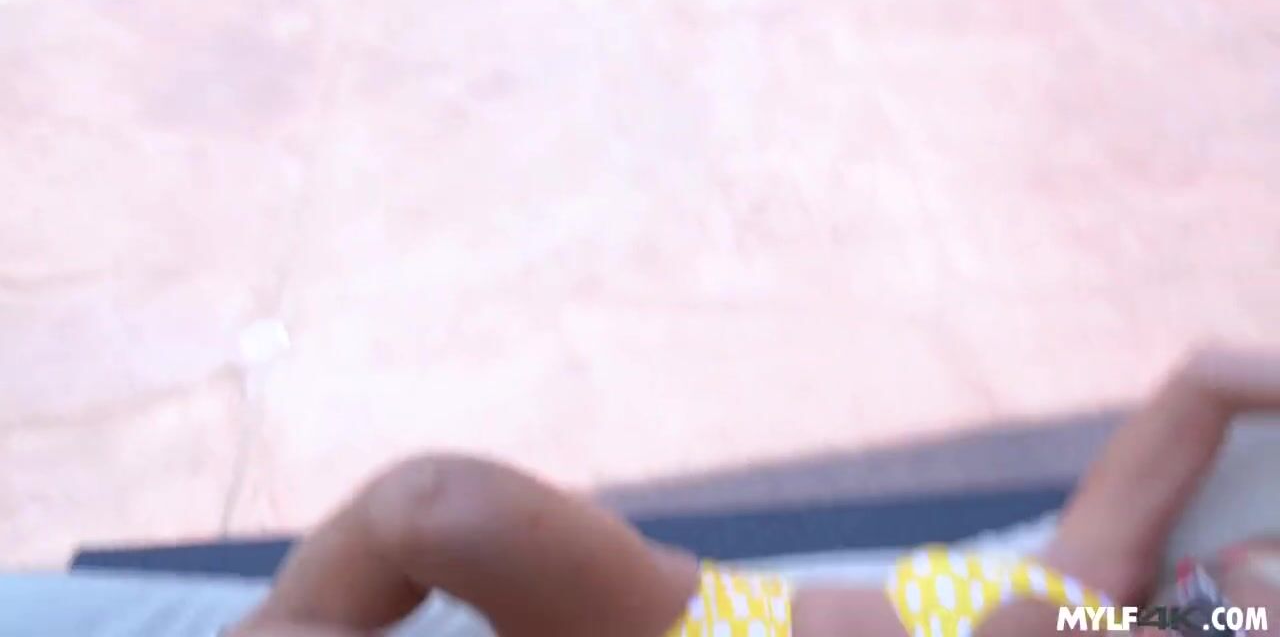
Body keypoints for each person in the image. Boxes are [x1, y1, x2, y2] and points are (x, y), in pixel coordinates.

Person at [230, 346, 1280, 637]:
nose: (1252, 579)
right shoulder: (1089, 578)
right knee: (434, 504)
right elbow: (1205, 379)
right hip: (704, 620)